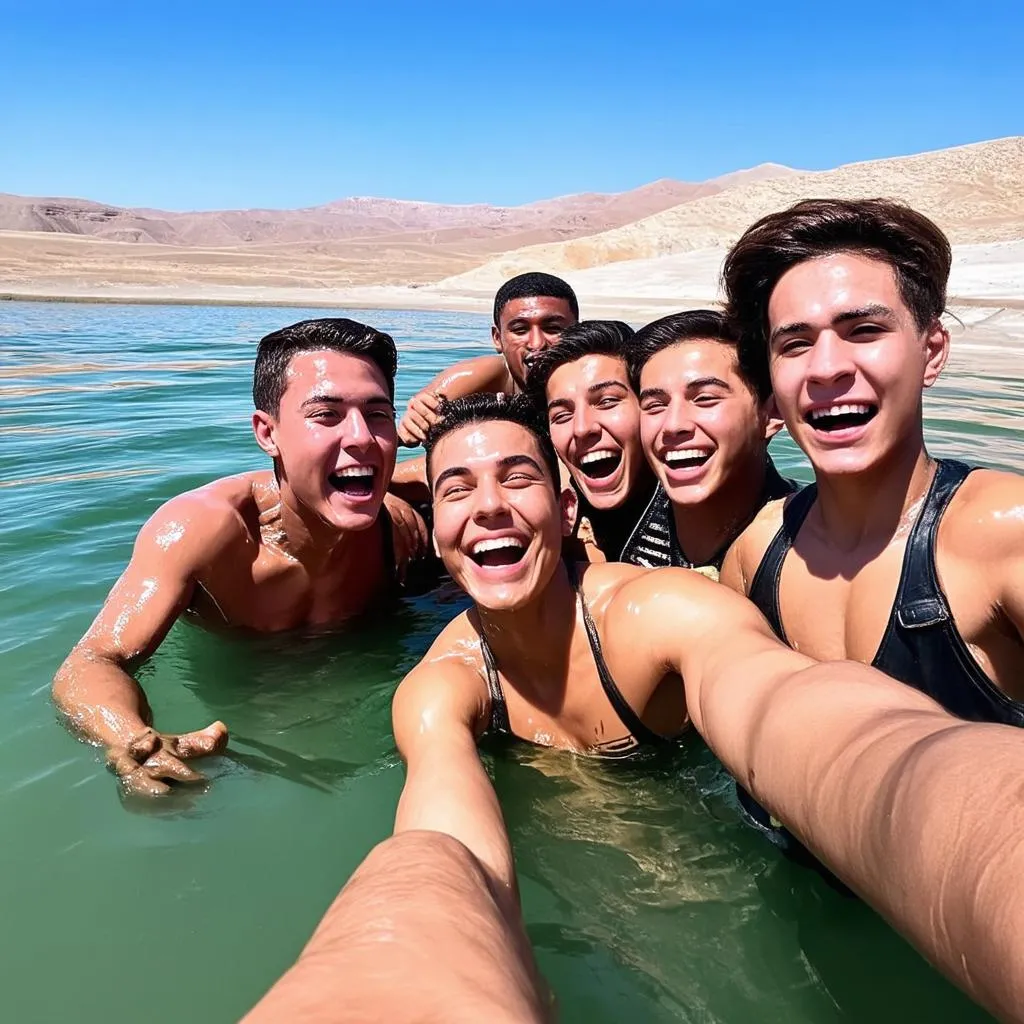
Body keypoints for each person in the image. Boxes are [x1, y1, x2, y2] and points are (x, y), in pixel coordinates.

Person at [371, 393, 1024, 1022]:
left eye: (517, 479)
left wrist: (964, 814)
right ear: (436, 530)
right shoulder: (441, 683)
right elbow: (442, 845)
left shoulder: (658, 613)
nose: (488, 506)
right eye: (457, 489)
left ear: (566, 508)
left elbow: (783, 703)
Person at [52, 317, 428, 796]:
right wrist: (130, 739)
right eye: (326, 415)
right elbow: (92, 661)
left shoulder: (396, 532)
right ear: (267, 433)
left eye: (378, 415)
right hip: (239, 732)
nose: (361, 436)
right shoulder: (202, 531)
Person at [720, 198, 1024, 722]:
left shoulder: (1003, 534)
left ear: (932, 352)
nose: (827, 367)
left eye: (864, 331)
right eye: (794, 344)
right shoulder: (754, 555)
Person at [625, 309, 795, 574]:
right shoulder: (623, 517)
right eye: (655, 405)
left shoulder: (804, 547)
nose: (673, 425)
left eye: (705, 399)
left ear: (772, 414)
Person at [523, 319, 660, 561]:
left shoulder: (694, 510)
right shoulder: (559, 517)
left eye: (607, 401)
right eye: (562, 415)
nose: (582, 428)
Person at [397, 272, 578, 447]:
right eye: (520, 330)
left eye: (553, 328)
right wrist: (414, 421)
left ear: (578, 332)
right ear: (497, 339)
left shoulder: (594, 376)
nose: (537, 343)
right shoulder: (484, 377)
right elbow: (412, 424)